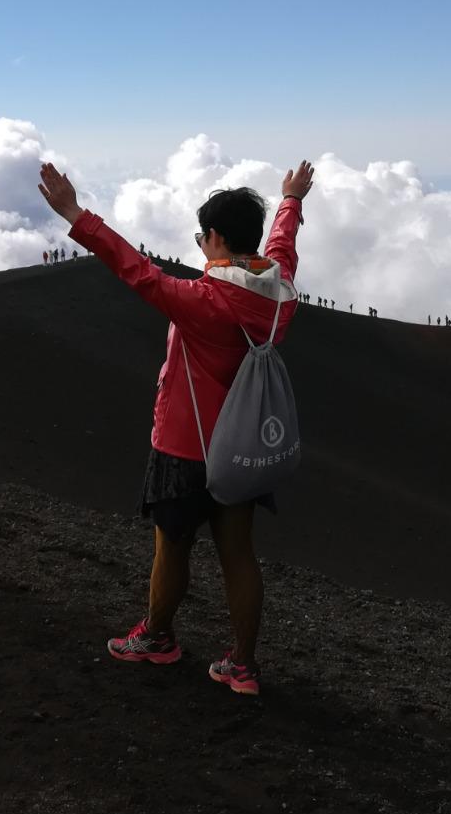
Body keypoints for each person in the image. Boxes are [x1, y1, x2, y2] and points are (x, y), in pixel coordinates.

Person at [38, 159, 315, 697]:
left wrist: (75, 213)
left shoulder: (202, 301)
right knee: (238, 555)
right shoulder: (277, 288)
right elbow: (282, 247)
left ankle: (158, 638)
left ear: (213, 238)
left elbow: (135, 269)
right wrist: (291, 200)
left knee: (172, 548)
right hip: (243, 449)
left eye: (201, 237)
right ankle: (243, 665)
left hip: (185, 447)